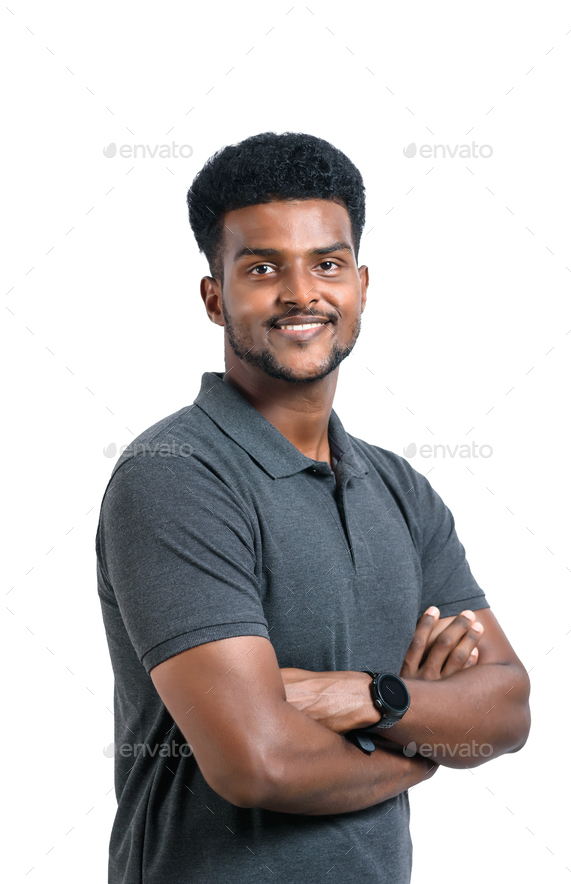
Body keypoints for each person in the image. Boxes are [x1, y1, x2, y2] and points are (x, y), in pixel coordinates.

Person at [96, 132, 531, 884]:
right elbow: (258, 764)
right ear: (214, 297)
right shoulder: (175, 477)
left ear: (361, 284)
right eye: (263, 268)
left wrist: (372, 696)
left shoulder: (400, 490)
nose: (302, 293)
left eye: (327, 264)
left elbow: (507, 709)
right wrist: (422, 744)